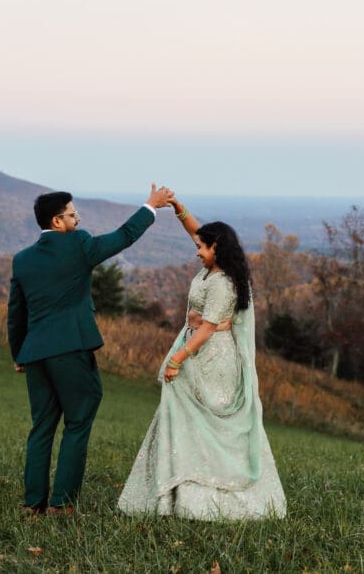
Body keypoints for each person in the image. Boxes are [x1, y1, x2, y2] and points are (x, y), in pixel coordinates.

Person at [8, 184, 173, 516]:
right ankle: (62, 504)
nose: (77, 220)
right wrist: (151, 206)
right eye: (72, 214)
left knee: (41, 427)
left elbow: (16, 313)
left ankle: (33, 503)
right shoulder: (79, 246)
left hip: (35, 353)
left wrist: (18, 355)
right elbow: (123, 236)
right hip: (70, 349)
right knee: (78, 420)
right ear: (57, 221)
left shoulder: (22, 260)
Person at [117, 199, 286, 520]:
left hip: (211, 357)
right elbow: (200, 235)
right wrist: (178, 208)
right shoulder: (213, 266)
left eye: (202, 248)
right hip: (199, 348)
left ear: (217, 250)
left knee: (204, 418)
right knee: (185, 415)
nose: (196, 251)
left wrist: (176, 359)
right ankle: (175, 491)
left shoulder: (223, 282)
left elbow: (208, 327)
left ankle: (203, 495)